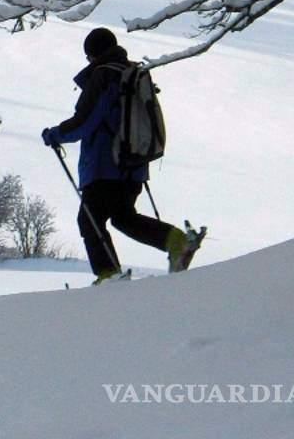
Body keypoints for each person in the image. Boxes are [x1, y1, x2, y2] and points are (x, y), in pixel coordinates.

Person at [41, 27, 194, 282]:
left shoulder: (104, 77)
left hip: (104, 166)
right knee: (123, 217)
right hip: (134, 164)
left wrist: (54, 135)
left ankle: (109, 275)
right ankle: (175, 240)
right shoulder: (133, 74)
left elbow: (85, 122)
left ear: (93, 54)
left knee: (89, 221)